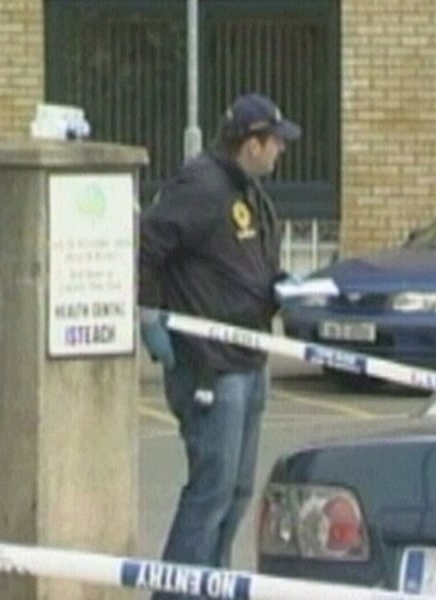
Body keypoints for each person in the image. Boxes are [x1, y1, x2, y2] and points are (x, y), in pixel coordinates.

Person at [137, 92, 301, 586]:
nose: (281, 151)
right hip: (210, 365)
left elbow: (249, 262)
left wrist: (281, 285)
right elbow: (145, 248)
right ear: (251, 143)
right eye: (275, 142)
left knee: (236, 493)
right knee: (210, 492)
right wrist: (151, 319)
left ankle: (214, 584)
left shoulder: (249, 191)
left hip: (249, 357)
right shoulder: (202, 187)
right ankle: (180, 592)